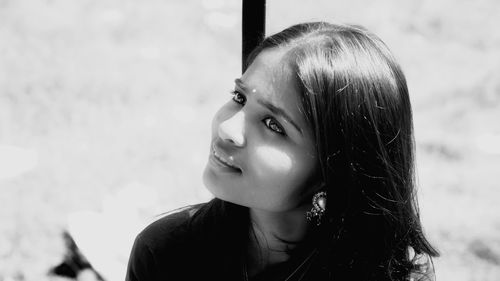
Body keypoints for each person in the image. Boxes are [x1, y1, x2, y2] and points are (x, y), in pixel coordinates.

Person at [125, 22, 439, 281]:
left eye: (274, 125)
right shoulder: (166, 254)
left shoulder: (386, 276)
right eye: (239, 97)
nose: (227, 130)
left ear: (336, 168)